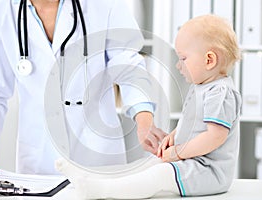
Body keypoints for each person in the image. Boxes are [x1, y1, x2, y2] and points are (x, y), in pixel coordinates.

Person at [0, 0, 166, 177]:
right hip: (39, 161)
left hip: (98, 156)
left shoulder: (105, 4)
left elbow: (128, 64)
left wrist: (143, 117)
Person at [56, 14, 242, 199]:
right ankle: (89, 178)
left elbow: (214, 137)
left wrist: (178, 152)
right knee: (149, 165)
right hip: (192, 162)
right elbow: (192, 123)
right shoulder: (202, 88)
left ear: (209, 60)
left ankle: (99, 191)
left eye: (183, 58)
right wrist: (174, 136)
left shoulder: (221, 93)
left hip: (208, 171)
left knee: (160, 175)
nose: (178, 65)